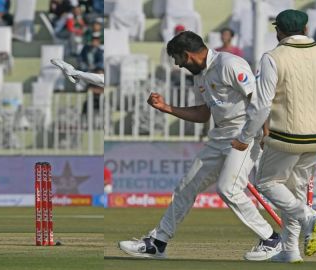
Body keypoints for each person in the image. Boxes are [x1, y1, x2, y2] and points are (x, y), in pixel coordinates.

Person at [118, 31, 281, 260]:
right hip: (219, 137)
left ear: (187, 54)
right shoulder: (200, 75)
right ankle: (157, 243)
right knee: (186, 186)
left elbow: (258, 101)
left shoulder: (229, 64)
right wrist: (167, 108)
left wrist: (264, 134)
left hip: (244, 136)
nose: (177, 65)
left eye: (178, 59)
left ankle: (271, 239)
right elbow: (204, 113)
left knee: (229, 189)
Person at [232, 9, 316, 262]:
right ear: (305, 30)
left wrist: (246, 136)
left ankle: (309, 218)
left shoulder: (273, 57)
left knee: (267, 183)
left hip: (286, 136)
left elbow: (261, 104)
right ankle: (290, 250)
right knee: (295, 191)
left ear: (279, 32)